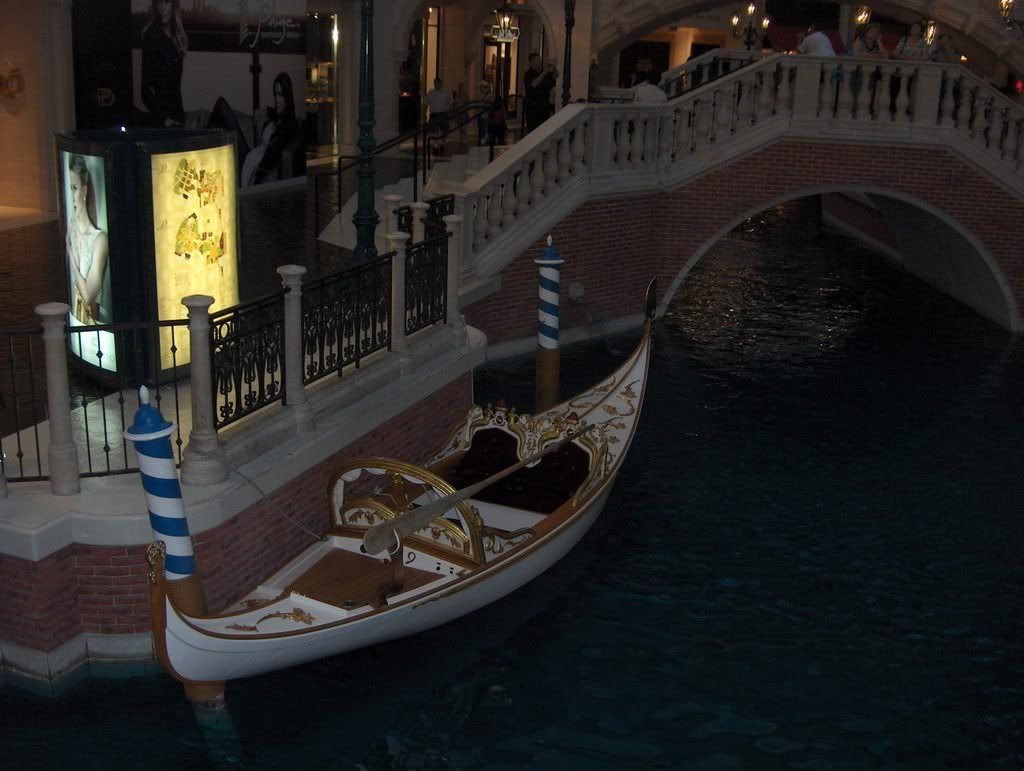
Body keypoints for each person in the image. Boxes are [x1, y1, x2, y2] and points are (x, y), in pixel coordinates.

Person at [211, 72, 300, 187]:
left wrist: (256, 176)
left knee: (222, 106)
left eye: (280, 95)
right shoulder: (277, 117)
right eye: (275, 94)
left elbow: (270, 158)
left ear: (287, 97)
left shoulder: (287, 126)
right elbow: (270, 114)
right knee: (220, 110)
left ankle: (203, 143)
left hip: (248, 165)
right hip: (250, 156)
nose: (276, 99)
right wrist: (262, 116)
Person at [66, 155, 110, 325]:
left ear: (84, 191)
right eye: (69, 189)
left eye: (74, 188)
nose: (71, 196)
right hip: (74, 321)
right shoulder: (71, 228)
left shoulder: (99, 239)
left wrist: (70, 251)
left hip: (93, 327)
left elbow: (88, 295)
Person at [140, 0, 188, 127]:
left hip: (177, 115)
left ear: (173, 5)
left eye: (166, 2)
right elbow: (145, 91)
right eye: (159, 2)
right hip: (163, 121)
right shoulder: (152, 36)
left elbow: (174, 87)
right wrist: (163, 119)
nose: (162, 8)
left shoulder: (176, 36)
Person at [524, 53, 557, 133]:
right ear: (530, 62)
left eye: (538, 60)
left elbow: (555, 76)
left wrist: (553, 68)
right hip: (533, 108)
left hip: (544, 107)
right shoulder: (528, 74)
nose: (538, 62)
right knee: (533, 131)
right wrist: (545, 72)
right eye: (535, 60)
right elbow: (534, 84)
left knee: (543, 131)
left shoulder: (542, 72)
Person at [425, 77, 453, 155]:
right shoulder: (430, 92)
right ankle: (436, 146)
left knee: (444, 130)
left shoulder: (446, 92)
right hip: (434, 114)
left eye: (437, 83)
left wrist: (450, 114)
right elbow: (426, 104)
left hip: (443, 113)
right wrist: (425, 114)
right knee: (434, 131)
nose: (436, 84)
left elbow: (451, 103)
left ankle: (442, 143)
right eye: (435, 83)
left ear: (441, 83)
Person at [476, 81, 491, 145]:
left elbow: (489, 104)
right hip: (480, 114)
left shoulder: (489, 95)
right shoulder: (480, 95)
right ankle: (482, 139)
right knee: (481, 128)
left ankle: (484, 139)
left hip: (485, 114)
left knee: (484, 127)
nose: (481, 88)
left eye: (481, 87)